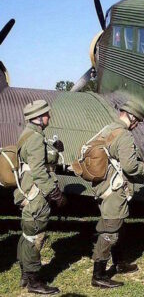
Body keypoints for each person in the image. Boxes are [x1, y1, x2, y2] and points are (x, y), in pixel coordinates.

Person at [91, 100, 144, 289]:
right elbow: (130, 167)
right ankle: (98, 275)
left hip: (102, 186)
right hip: (113, 189)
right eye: (137, 121)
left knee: (117, 224)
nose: (137, 125)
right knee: (110, 231)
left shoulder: (108, 129)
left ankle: (119, 263)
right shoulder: (124, 135)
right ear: (130, 117)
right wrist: (143, 167)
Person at [14, 100, 65, 295]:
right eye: (47, 114)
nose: (49, 117)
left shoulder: (30, 134)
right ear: (39, 117)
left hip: (28, 191)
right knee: (35, 236)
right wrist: (55, 193)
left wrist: (54, 148)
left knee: (27, 234)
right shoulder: (35, 138)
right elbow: (38, 170)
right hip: (37, 193)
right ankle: (34, 281)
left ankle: (26, 274)